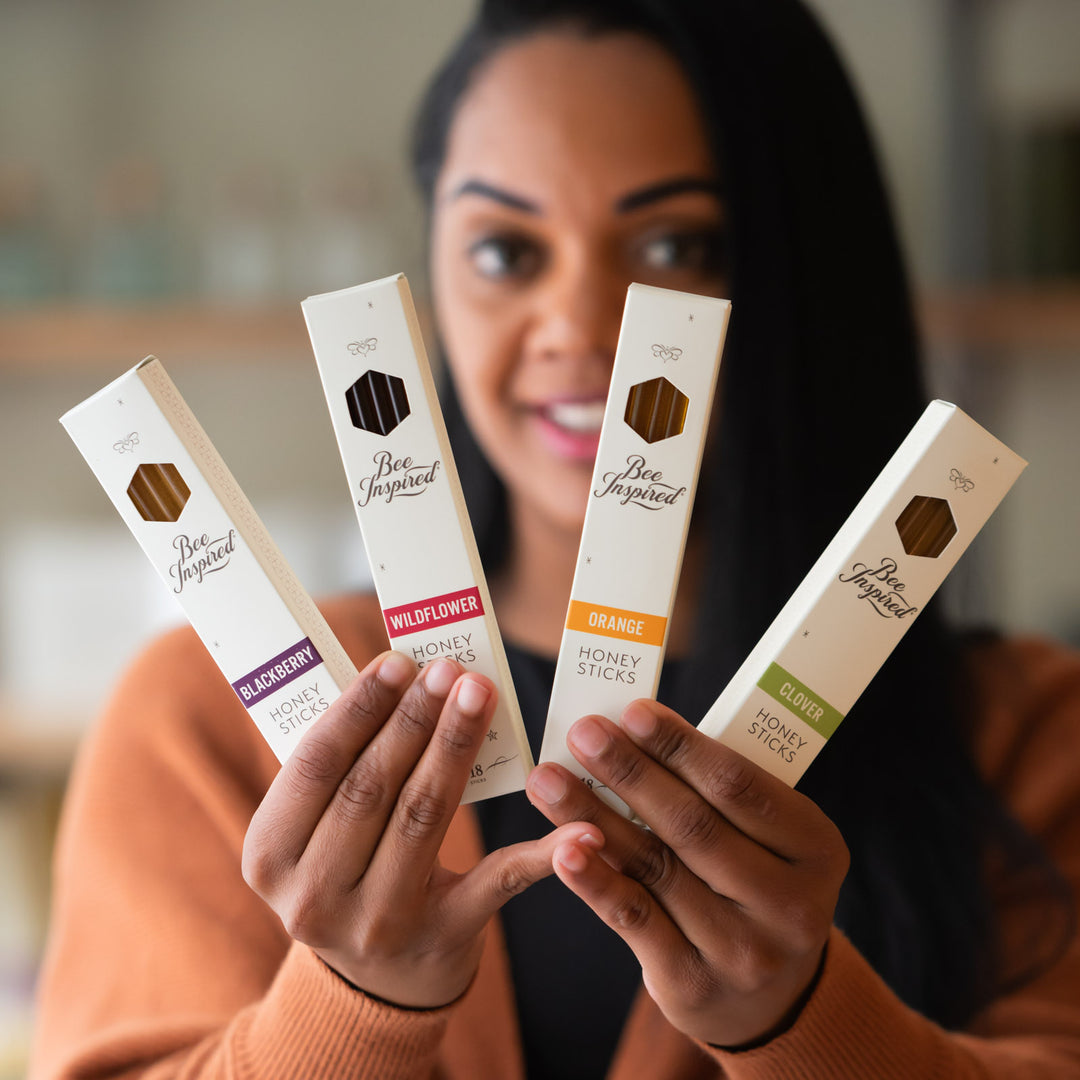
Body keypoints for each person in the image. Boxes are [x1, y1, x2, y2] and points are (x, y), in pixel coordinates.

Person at [29, 0, 1080, 1077]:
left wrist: (805, 1021)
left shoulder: (1031, 734)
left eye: (676, 245)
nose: (581, 327)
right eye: (504, 250)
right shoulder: (205, 722)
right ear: (430, 268)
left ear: (807, 278)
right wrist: (351, 1009)